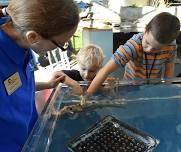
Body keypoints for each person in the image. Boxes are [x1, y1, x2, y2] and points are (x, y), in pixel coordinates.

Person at [0, 0, 79, 151]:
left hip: (29, 136)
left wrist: (47, 84)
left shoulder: (21, 40)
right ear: (33, 37)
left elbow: (14, 86)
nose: (62, 48)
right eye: (62, 44)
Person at [85, 12, 180, 95]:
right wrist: (87, 95)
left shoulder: (171, 46)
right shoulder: (133, 46)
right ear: (146, 28)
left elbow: (169, 68)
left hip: (153, 86)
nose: (149, 49)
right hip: (131, 86)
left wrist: (167, 90)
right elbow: (105, 70)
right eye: (147, 43)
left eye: (156, 49)